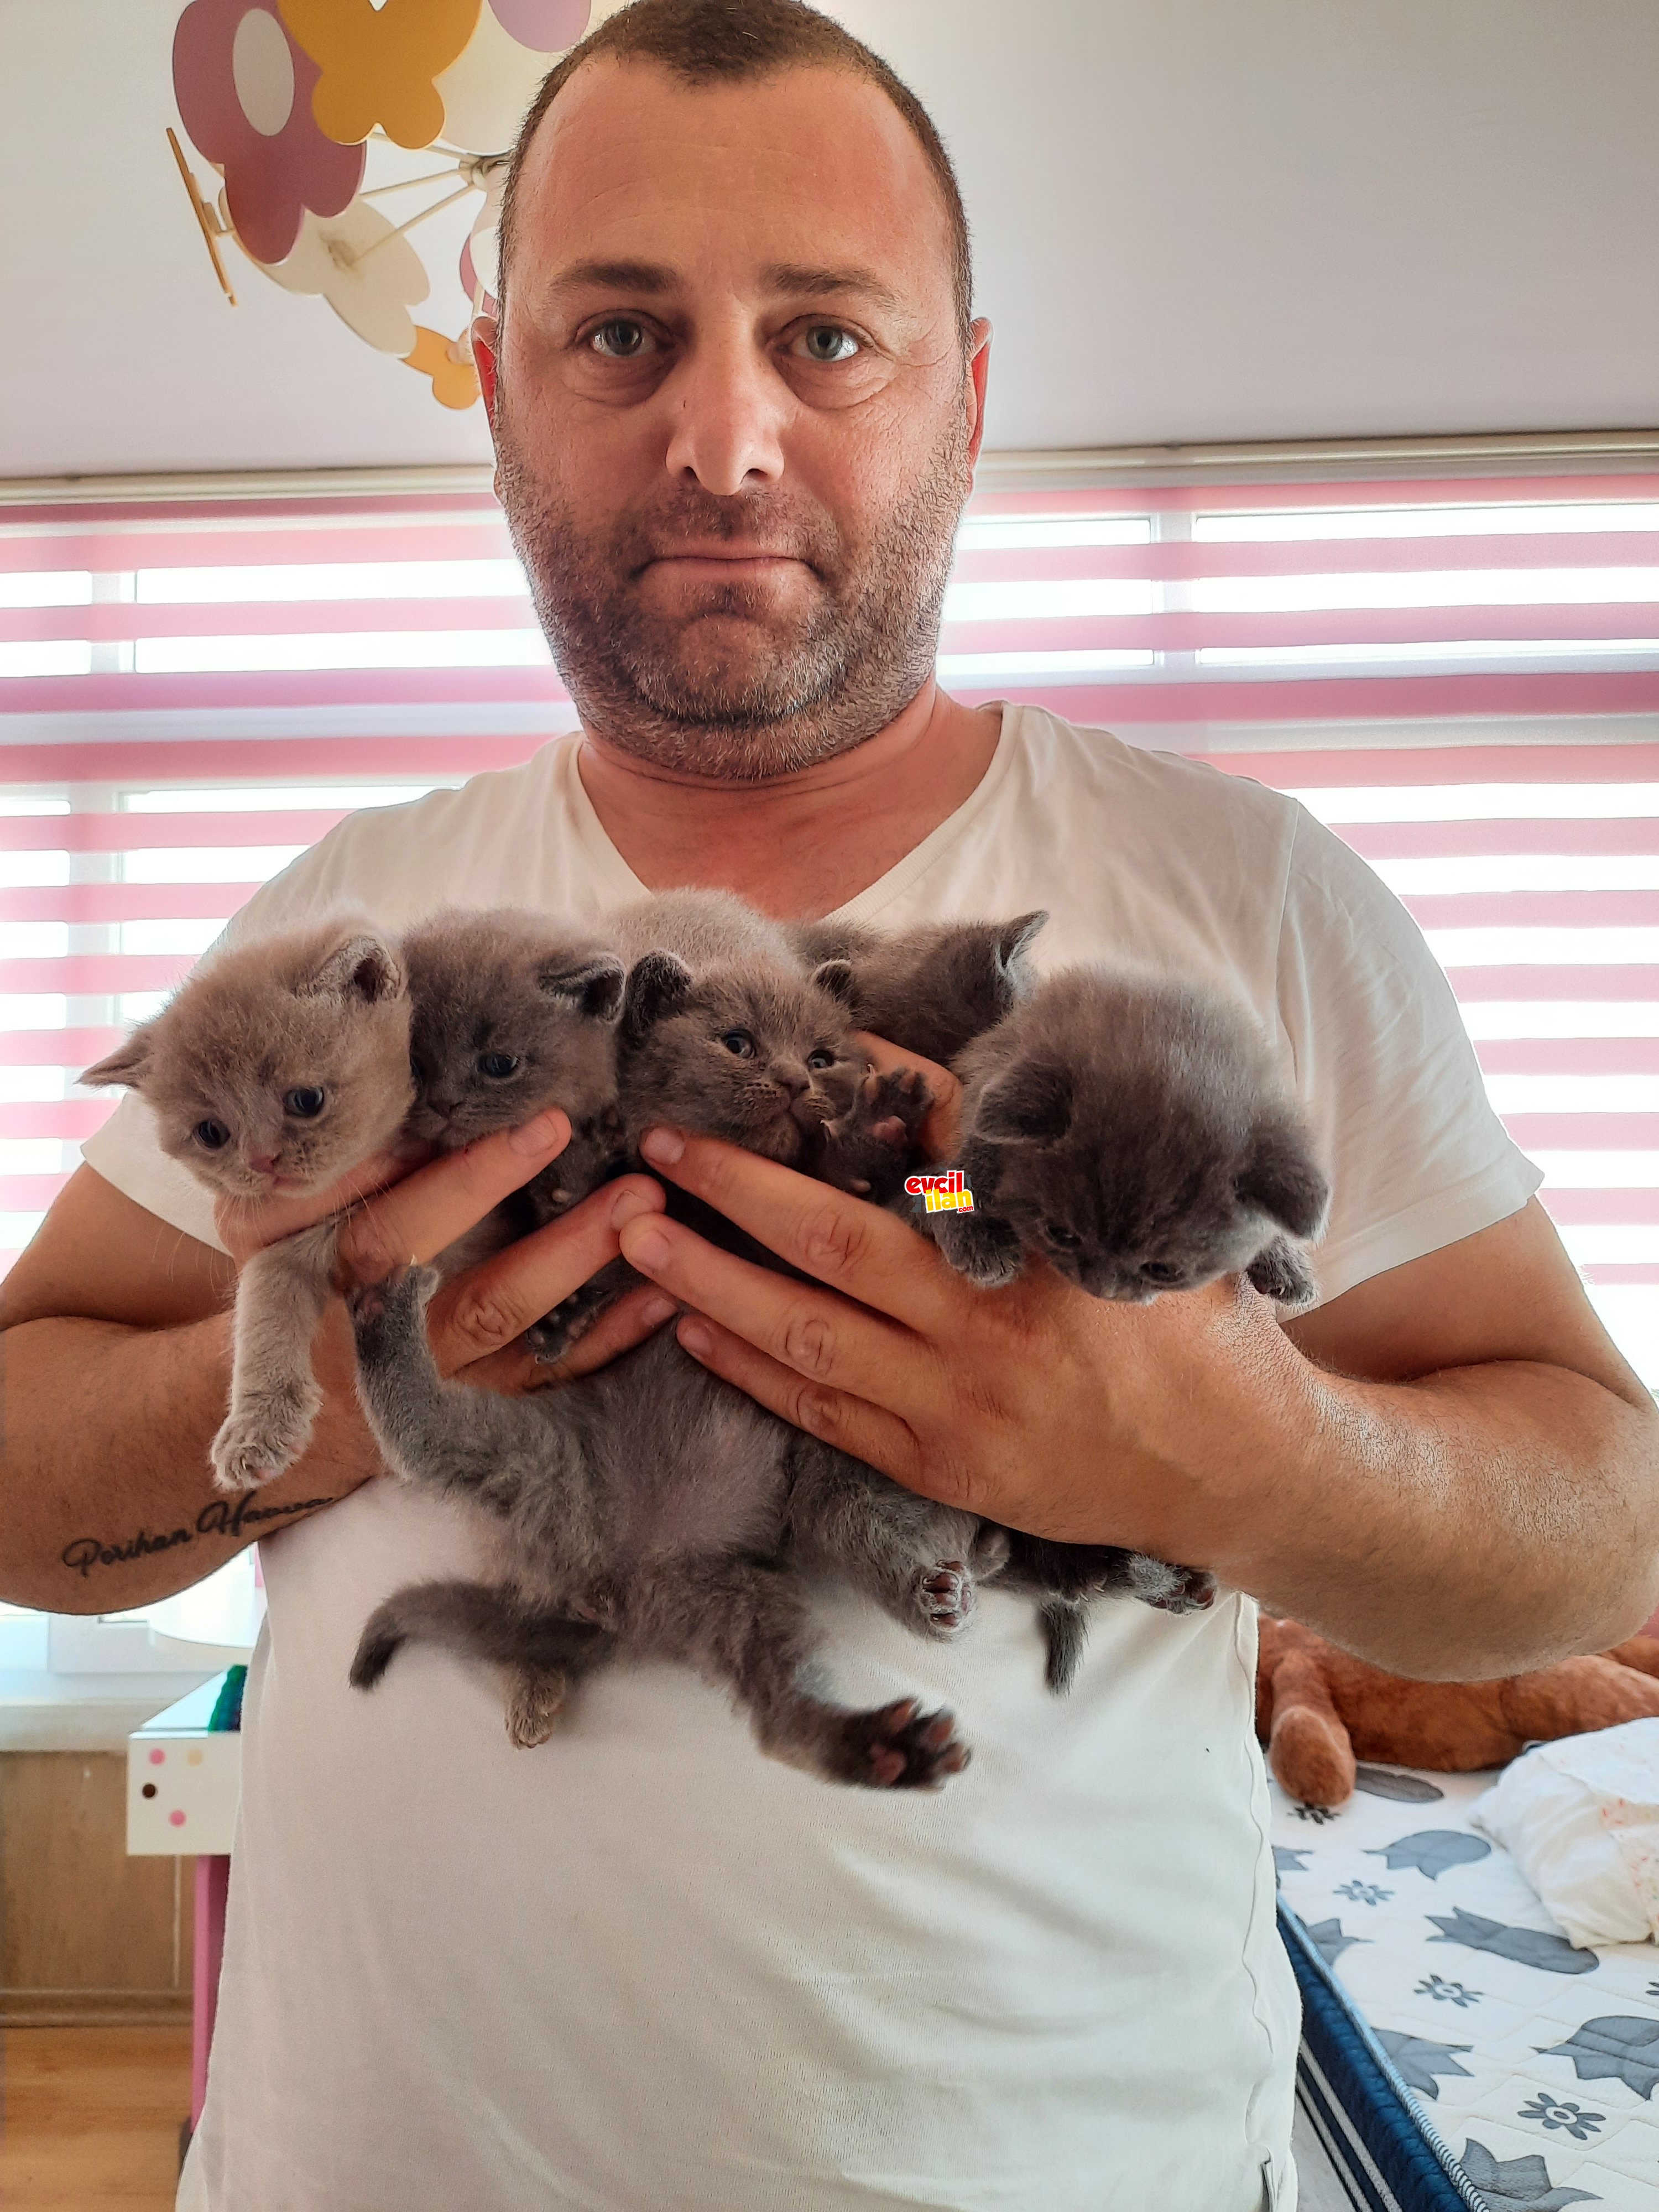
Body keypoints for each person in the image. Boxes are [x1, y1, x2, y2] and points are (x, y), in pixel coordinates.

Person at [4, 3, 1656, 2205]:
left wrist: (1243, 1451)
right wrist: (336, 1391)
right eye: (618, 334)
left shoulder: (1253, 901)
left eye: (826, 337)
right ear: (501, 387)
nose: (727, 439)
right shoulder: (345, 926)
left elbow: (1604, 1508)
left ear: (965, 396)